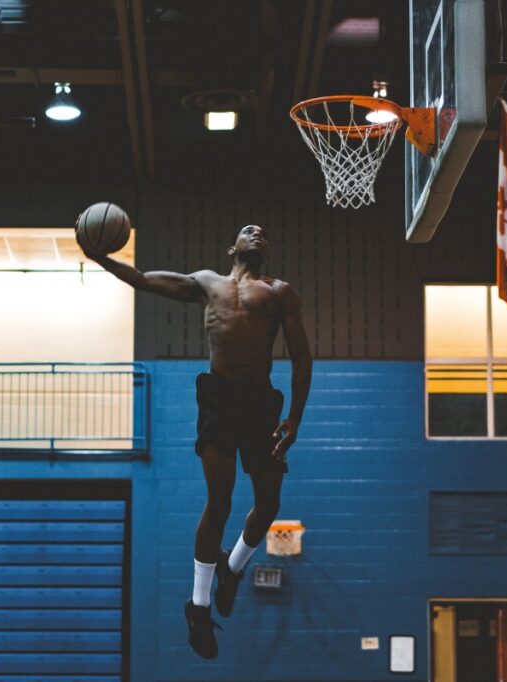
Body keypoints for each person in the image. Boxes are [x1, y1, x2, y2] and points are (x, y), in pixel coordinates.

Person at [81, 224, 312, 659]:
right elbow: (147, 280)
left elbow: (302, 357)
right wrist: (103, 260)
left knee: (269, 505)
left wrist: (295, 418)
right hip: (219, 399)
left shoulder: (280, 292)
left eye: (264, 232)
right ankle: (199, 607)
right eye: (248, 230)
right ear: (233, 246)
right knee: (219, 500)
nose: (258, 233)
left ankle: (233, 565)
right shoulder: (208, 282)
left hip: (261, 402)